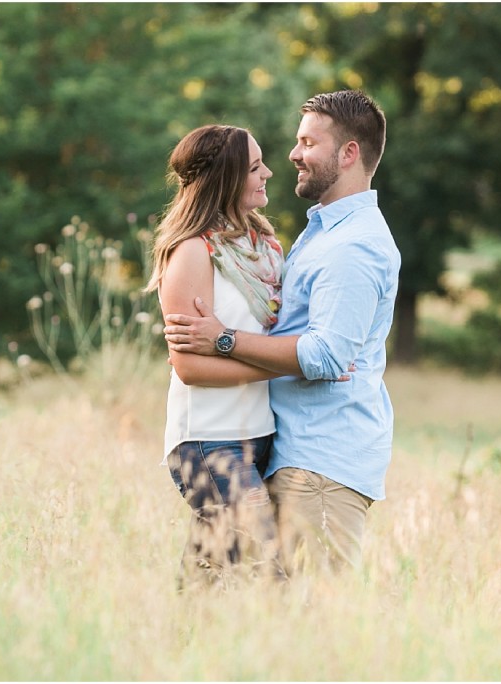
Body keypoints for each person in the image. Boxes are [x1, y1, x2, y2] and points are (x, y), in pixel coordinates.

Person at [163, 90, 401, 576]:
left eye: (307, 142)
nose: (289, 157)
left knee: (298, 609)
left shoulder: (350, 246)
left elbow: (325, 357)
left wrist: (225, 340)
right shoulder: (319, 233)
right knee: (241, 588)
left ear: (349, 153)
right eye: (256, 165)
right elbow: (196, 360)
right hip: (256, 445)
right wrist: (273, 358)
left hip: (321, 460)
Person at [145, 124, 287, 588]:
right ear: (225, 179)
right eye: (253, 167)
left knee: (213, 570)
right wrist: (276, 360)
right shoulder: (191, 252)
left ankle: (184, 644)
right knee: (267, 568)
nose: (268, 172)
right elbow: (188, 367)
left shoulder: (266, 249)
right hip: (208, 439)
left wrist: (246, 347)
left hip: (261, 435)